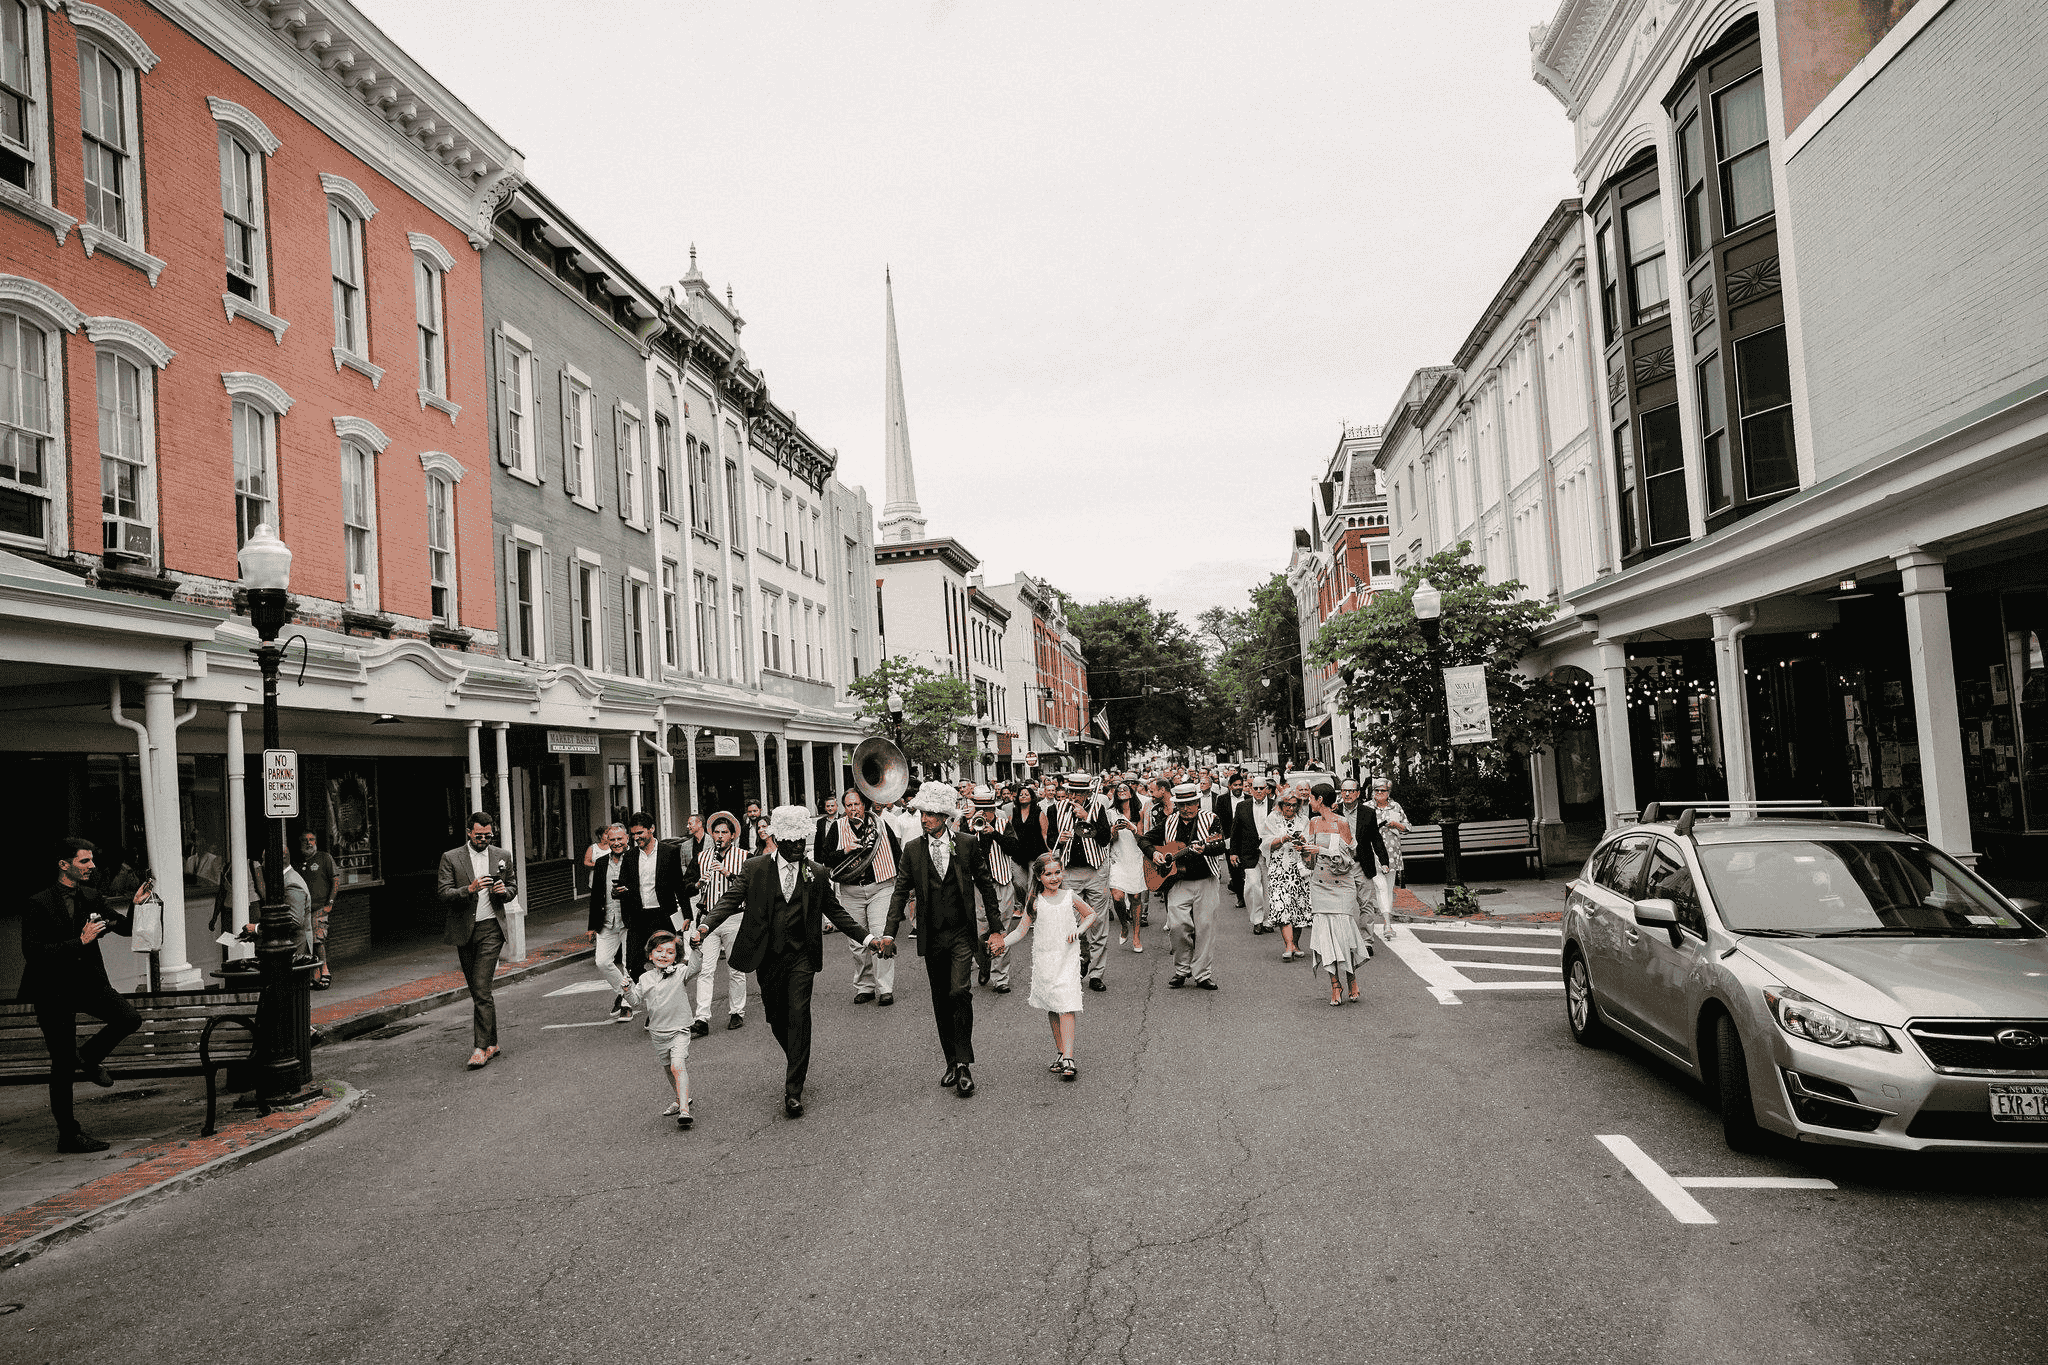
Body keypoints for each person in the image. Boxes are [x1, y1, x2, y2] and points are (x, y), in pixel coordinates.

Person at [694, 806, 882, 1118]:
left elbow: (836, 912)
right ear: (779, 841)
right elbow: (729, 900)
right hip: (767, 956)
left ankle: (793, 1088)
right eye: (792, 843)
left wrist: (868, 939)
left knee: (799, 1013)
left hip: (802, 956)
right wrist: (704, 926)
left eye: (802, 842)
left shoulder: (816, 872)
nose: (798, 848)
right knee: (776, 1017)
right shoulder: (755, 868)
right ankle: (797, 1055)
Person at [18, 837, 150, 1153]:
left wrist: (135, 905)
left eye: (91, 861)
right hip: (52, 990)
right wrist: (80, 941)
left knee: (128, 1018)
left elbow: (124, 928)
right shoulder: (39, 902)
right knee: (62, 1065)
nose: (92, 867)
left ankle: (88, 1058)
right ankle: (69, 1135)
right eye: (84, 862)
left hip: (89, 983)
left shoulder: (91, 896)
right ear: (64, 865)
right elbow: (34, 953)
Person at [882, 783, 1005, 1098]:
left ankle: (964, 1064)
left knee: (959, 991)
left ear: (947, 816)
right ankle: (950, 1060)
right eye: (923, 813)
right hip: (932, 935)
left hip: (961, 933)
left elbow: (986, 885)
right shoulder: (912, 849)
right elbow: (899, 892)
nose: (925, 819)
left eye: (932, 814)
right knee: (940, 999)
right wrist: (888, 932)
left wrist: (996, 928)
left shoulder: (966, 844)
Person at [436, 812, 519, 1070]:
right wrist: (468, 890)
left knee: (482, 987)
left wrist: (504, 891)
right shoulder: (451, 858)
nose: (484, 839)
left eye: (488, 835)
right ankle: (492, 1042)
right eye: (479, 835)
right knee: (477, 990)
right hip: (464, 930)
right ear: (469, 832)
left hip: (492, 928)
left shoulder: (502, 855)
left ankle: (480, 1048)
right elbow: (443, 892)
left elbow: (513, 885)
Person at [1005, 852, 1096, 1081]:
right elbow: (1020, 931)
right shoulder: (1035, 902)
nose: (1055, 878)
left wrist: (1080, 930)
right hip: (1046, 960)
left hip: (1067, 958)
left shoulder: (1069, 896)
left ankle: (1069, 1057)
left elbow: (1090, 914)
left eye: (1057, 872)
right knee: (1053, 1006)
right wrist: (1001, 943)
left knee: (1067, 1004)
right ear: (1038, 876)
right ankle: (1060, 1051)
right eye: (1048, 874)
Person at [1142, 782, 1228, 990]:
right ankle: (1182, 969)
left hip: (1205, 879)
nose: (1187, 809)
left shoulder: (1211, 820)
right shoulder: (1169, 821)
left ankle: (1202, 974)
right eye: (1182, 805)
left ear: (1198, 802)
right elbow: (1144, 840)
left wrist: (1205, 848)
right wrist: (1155, 854)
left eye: (1191, 804)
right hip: (1177, 882)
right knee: (1177, 925)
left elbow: (1220, 845)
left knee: (1205, 927)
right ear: (1177, 805)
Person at [822, 788, 902, 1006]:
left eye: (856, 804)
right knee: (858, 943)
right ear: (844, 808)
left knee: (880, 936)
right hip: (851, 891)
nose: (853, 809)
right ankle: (864, 987)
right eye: (848, 805)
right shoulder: (837, 827)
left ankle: (885, 988)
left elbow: (897, 854)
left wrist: (905, 886)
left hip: (880, 887)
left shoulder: (881, 825)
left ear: (864, 805)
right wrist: (844, 851)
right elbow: (824, 857)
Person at [621, 929, 702, 1129]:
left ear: (676, 957)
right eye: (659, 951)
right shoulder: (645, 978)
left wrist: (696, 949)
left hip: (680, 1029)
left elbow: (695, 967)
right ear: (650, 954)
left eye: (669, 952)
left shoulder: (681, 972)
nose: (663, 955)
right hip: (658, 1033)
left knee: (677, 1066)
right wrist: (626, 990)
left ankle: (684, 1111)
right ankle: (680, 1099)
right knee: (668, 1069)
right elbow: (635, 1001)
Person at [1304, 784, 1373, 1004]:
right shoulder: (1313, 823)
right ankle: (1335, 985)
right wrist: (1304, 851)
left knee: (1344, 935)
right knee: (1325, 938)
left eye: (1311, 798)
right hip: (1319, 884)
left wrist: (1321, 850)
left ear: (1320, 799)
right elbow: (1309, 862)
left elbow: (1348, 858)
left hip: (1341, 884)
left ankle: (1351, 978)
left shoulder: (1341, 823)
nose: (1309, 803)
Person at [1051, 774, 1113, 992]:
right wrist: (1060, 838)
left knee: (1098, 923)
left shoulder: (1098, 808)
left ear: (1088, 792)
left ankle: (1097, 974)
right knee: (1071, 923)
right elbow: (1050, 839)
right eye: (1072, 792)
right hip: (1069, 871)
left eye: (1080, 793)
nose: (1075, 797)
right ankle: (1077, 962)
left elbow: (1105, 838)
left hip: (1096, 870)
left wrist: (1088, 817)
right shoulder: (1055, 809)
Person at [691, 812, 749, 1036]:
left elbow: (750, 887)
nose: (720, 836)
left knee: (735, 968)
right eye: (716, 832)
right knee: (707, 970)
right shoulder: (702, 857)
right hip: (708, 919)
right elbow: (687, 885)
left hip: (735, 917)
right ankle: (702, 1018)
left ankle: (737, 1012)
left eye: (724, 832)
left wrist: (728, 873)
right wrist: (699, 882)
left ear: (733, 835)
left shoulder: (745, 856)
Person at [965, 791, 1019, 992]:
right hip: (978, 886)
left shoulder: (1004, 824)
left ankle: (1001, 978)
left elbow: (1015, 848)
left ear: (993, 809)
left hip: (1002, 882)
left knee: (1002, 930)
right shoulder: (968, 826)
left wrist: (994, 833)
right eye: (980, 810)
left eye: (987, 809)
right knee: (979, 931)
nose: (984, 814)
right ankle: (985, 963)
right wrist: (970, 831)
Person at [586, 825, 635, 1021]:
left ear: (627, 839)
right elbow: (595, 895)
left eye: (619, 839)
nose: (616, 843)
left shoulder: (635, 859)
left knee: (627, 964)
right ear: (607, 841)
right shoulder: (600, 863)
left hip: (629, 919)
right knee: (603, 961)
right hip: (606, 920)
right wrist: (591, 926)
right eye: (612, 840)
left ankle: (626, 1005)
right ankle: (624, 992)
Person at [1261, 792, 1313, 958]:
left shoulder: (1304, 820)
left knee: (1297, 906)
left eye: (1294, 805)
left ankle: (1295, 944)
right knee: (1281, 904)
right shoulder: (1272, 818)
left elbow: (1310, 842)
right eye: (1287, 805)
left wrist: (1302, 843)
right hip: (1279, 869)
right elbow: (1265, 843)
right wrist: (1282, 839)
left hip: (1299, 869)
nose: (1291, 808)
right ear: (1280, 804)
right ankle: (1288, 945)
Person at [1104, 779, 1149, 952]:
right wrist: (1113, 832)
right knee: (1117, 896)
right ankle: (1124, 924)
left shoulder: (1139, 811)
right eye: (1119, 789)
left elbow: (1142, 839)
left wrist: (1132, 828)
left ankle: (1136, 935)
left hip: (1135, 857)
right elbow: (1108, 841)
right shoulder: (1110, 813)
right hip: (1117, 858)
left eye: (1125, 789)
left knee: (1136, 898)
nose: (1122, 790)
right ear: (1115, 794)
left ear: (1131, 793)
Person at [296, 831, 338, 989]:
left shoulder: (324, 858)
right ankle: (314, 975)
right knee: (306, 943)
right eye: (305, 840)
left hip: (319, 909)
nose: (308, 843)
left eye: (312, 839)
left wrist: (330, 903)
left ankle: (325, 970)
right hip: (302, 911)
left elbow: (336, 879)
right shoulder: (297, 862)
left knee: (318, 941)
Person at [1371, 778, 1410, 914]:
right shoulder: (1367, 807)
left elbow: (1407, 827)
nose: (1380, 792)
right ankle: (1386, 917)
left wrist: (1396, 825)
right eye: (1377, 790)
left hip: (1392, 854)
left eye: (1383, 790)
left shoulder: (1396, 807)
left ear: (1389, 792)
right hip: (1373, 854)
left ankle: (1387, 916)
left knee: (1388, 887)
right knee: (1380, 886)